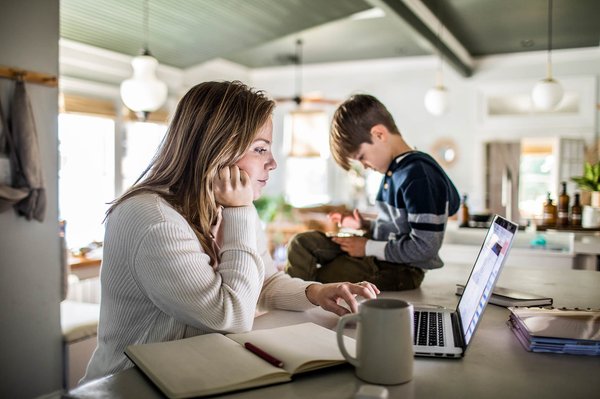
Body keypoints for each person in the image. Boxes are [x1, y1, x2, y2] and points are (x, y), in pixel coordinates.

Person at [82, 81, 379, 383]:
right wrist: (240, 212)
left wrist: (314, 292)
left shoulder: (226, 206)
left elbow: (263, 282)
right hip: (132, 384)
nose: (273, 163)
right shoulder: (154, 218)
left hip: (189, 372)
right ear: (218, 150)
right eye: (260, 149)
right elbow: (229, 316)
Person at [285, 94, 460, 291]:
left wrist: (367, 247)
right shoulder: (395, 172)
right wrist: (365, 224)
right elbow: (398, 227)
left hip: (401, 269)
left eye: (362, 157)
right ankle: (297, 297)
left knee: (323, 277)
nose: (365, 166)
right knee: (301, 244)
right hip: (378, 252)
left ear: (379, 134)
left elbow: (425, 248)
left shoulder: (420, 175)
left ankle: (301, 306)